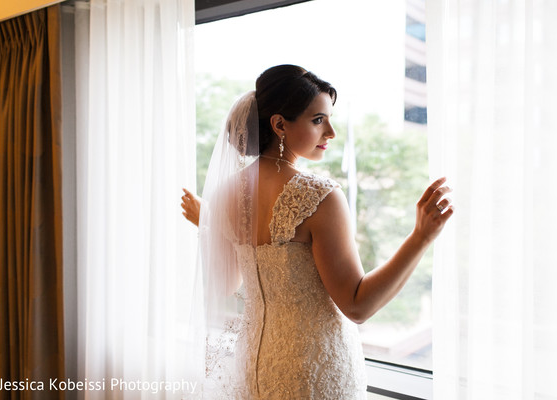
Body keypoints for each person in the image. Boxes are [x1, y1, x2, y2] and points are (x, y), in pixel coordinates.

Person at [181, 65, 453, 399]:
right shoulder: (318, 195)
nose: (331, 132)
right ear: (279, 124)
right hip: (314, 373)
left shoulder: (223, 195)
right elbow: (357, 306)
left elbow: (228, 283)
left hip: (255, 367)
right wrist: (420, 238)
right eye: (318, 120)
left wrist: (208, 225)